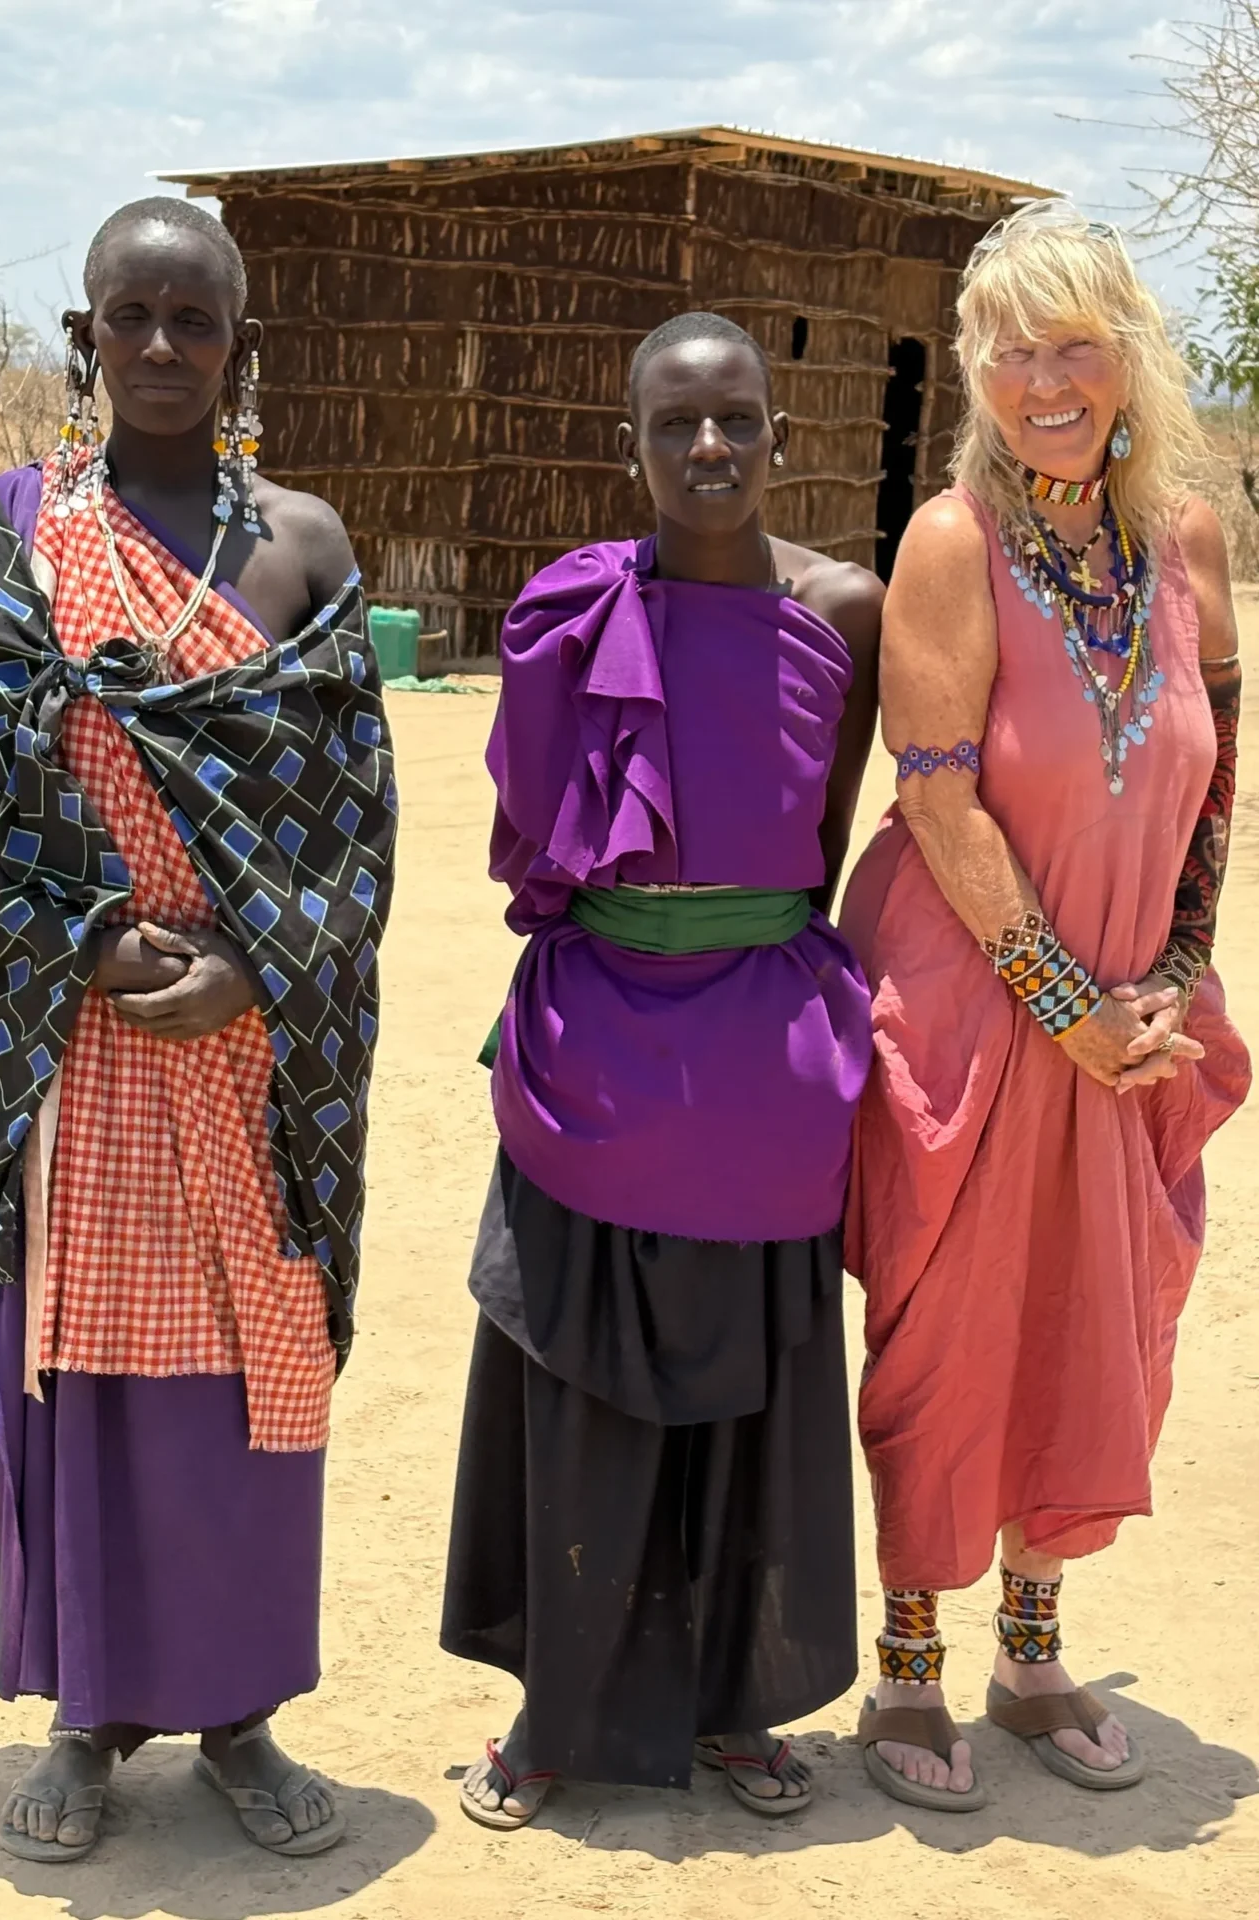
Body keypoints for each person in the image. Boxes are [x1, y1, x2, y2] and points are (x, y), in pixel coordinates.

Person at [0, 198, 396, 1862]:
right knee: (72, 1383)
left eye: (189, 319)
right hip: (65, 1047)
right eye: (126, 316)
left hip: (244, 1052)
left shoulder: (303, 545)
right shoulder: (8, 532)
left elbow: (354, 829)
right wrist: (86, 940)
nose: (156, 346)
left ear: (236, 344)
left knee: (237, 1393)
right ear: (83, 339)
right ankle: (81, 1714)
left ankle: (242, 1714)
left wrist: (256, 970)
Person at [440, 311, 881, 1830]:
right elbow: (541, 839)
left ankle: (734, 1707)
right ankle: (552, 1719)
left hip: (763, 1061)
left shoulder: (846, 608)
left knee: (756, 1398)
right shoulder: (567, 612)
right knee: (579, 1387)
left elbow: (817, 842)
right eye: (678, 423)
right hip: (596, 1051)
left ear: (779, 431)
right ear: (631, 442)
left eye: (739, 420)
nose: (711, 448)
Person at [841, 199, 1250, 1812]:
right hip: (978, 998)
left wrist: (1163, 982)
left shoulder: (1192, 542)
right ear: (976, 372)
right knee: (954, 1336)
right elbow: (940, 806)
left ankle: (1029, 1654)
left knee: (1106, 1331)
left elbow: (1215, 784)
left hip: (1137, 1018)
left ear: (1131, 355)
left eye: (1072, 339)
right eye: (1008, 346)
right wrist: (1066, 1003)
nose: (1042, 378)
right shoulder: (954, 543)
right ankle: (910, 1678)